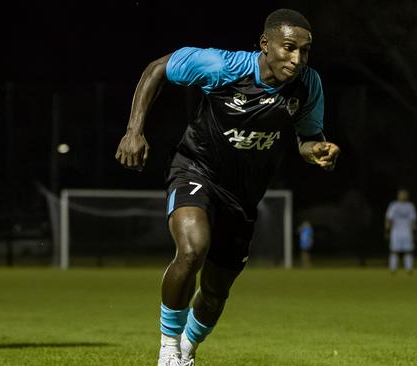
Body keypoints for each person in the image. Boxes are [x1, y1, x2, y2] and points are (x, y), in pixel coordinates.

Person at [115, 8, 340, 366]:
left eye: (305, 50)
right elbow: (157, 68)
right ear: (265, 45)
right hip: (196, 168)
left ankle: (187, 349)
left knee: (217, 292)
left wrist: (319, 151)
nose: (297, 59)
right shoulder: (224, 67)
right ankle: (168, 349)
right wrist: (134, 130)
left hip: (243, 195)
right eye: (288, 48)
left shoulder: (309, 85)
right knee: (192, 249)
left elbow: (307, 138)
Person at [384, 189, 417, 274]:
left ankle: (409, 269)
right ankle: (393, 269)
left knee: (408, 251)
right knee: (394, 251)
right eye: (401, 194)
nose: (403, 196)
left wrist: (414, 231)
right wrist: (387, 230)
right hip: (396, 232)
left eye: (404, 195)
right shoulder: (394, 205)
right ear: (398, 195)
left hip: (407, 232)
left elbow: (413, 220)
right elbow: (388, 218)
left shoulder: (410, 206)